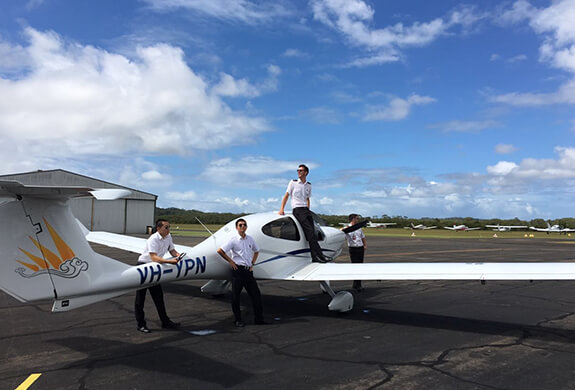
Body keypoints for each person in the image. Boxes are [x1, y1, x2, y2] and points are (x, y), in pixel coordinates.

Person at [135, 219, 182, 333]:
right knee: (140, 299)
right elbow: (154, 257)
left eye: (169, 227)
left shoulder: (168, 237)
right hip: (144, 267)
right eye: (166, 227)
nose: (168, 229)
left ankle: (165, 322)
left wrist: (178, 255)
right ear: (158, 229)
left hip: (155, 268)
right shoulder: (153, 239)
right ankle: (141, 324)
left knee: (158, 297)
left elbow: (172, 251)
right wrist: (170, 262)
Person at [217, 218, 266, 327]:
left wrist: (252, 263)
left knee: (256, 295)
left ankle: (259, 319)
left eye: (244, 225)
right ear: (236, 228)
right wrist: (231, 261)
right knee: (236, 297)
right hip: (237, 271)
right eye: (240, 225)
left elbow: (256, 251)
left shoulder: (250, 239)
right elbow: (220, 251)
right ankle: (237, 320)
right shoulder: (233, 240)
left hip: (248, 271)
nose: (242, 227)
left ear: (246, 227)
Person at [279, 164, 328, 263]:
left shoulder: (308, 185)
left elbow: (307, 198)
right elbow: (286, 196)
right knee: (310, 232)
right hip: (297, 209)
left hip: (306, 210)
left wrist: (308, 209)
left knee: (312, 234)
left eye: (301, 171)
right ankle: (320, 255)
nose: (298, 172)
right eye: (298, 170)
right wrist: (281, 209)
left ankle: (315, 257)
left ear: (306, 172)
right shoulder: (293, 183)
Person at [343, 213, 367, 291]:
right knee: (354, 266)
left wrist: (365, 245)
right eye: (357, 218)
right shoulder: (347, 228)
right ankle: (355, 284)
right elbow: (340, 233)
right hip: (353, 249)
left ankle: (358, 284)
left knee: (360, 266)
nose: (358, 220)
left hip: (360, 248)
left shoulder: (359, 228)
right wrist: (344, 230)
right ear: (353, 219)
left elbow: (363, 237)